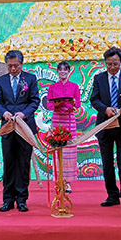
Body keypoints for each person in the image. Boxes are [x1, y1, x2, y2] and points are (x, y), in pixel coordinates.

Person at [90, 47, 121, 211]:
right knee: (107, 163)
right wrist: (105, 109)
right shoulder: (99, 78)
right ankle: (112, 195)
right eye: (109, 64)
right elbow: (94, 99)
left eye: (116, 64)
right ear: (105, 63)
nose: (112, 67)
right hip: (105, 125)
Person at [0, 50, 40, 212]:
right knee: (9, 162)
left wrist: (23, 114)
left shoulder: (31, 79)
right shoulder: (1, 81)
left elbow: (35, 101)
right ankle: (7, 199)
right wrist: (4, 113)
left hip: (24, 127)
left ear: (22, 64)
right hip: (7, 127)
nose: (13, 69)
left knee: (23, 163)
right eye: (10, 66)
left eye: (16, 65)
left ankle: (21, 199)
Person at [46, 61, 81, 192]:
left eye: (65, 70)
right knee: (57, 147)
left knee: (69, 149)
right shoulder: (52, 87)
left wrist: (70, 104)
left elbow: (77, 104)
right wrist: (58, 104)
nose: (62, 72)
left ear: (69, 71)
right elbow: (49, 105)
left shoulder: (74, 86)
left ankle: (67, 182)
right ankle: (59, 180)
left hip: (69, 119)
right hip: (57, 119)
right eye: (60, 70)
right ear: (57, 71)